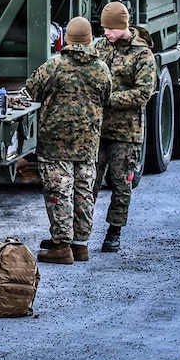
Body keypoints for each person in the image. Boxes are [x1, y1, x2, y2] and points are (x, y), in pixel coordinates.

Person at [25, 16, 112, 264]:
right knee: (84, 191)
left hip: (54, 143)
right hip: (88, 144)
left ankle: (61, 246)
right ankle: (81, 245)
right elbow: (107, 97)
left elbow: (32, 90)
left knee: (59, 192)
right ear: (89, 39)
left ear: (67, 39)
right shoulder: (102, 69)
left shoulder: (53, 66)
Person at [92, 2, 157, 253]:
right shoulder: (99, 47)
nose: (106, 32)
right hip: (98, 129)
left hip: (126, 132)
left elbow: (143, 93)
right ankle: (79, 231)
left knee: (121, 183)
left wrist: (109, 98)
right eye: (104, 27)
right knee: (88, 182)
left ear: (123, 26)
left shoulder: (142, 55)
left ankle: (114, 231)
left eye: (110, 28)